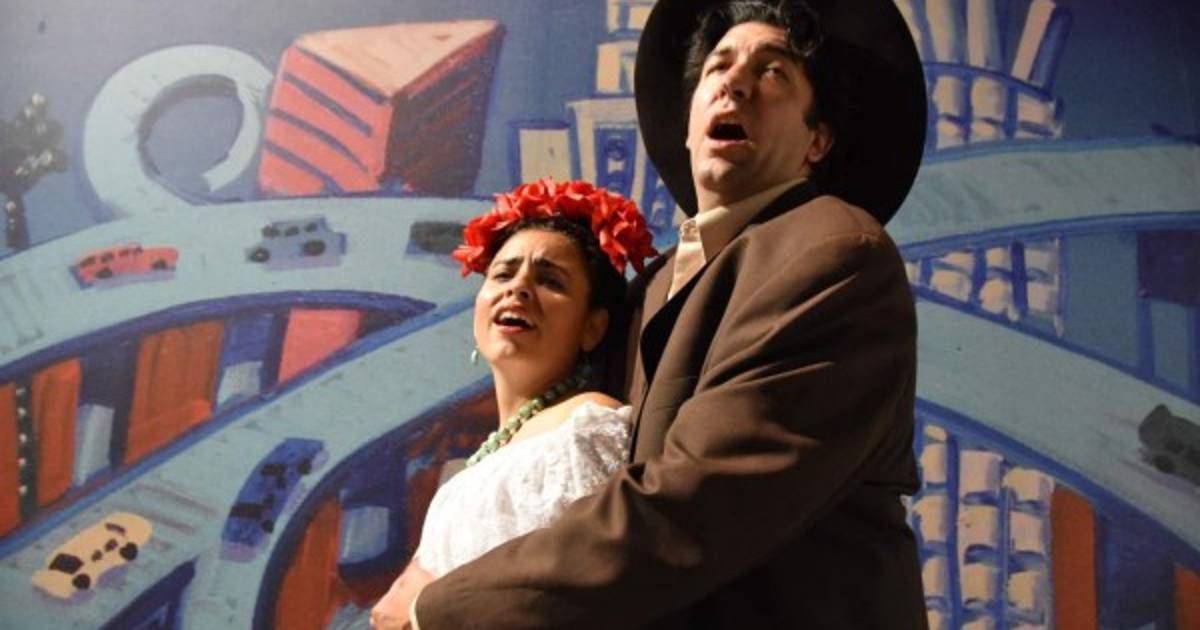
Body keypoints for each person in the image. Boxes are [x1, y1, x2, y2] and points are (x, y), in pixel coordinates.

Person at [387, 0, 930, 627]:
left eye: (773, 71)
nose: (734, 82)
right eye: (717, 67)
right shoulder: (651, 287)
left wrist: (440, 608)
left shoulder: (832, 251)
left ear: (818, 140)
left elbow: (702, 501)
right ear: (689, 125)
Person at [369, 178, 658, 628]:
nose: (518, 288)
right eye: (503, 274)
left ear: (593, 328)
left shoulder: (585, 426)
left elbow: (583, 589)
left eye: (550, 281)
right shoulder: (473, 467)